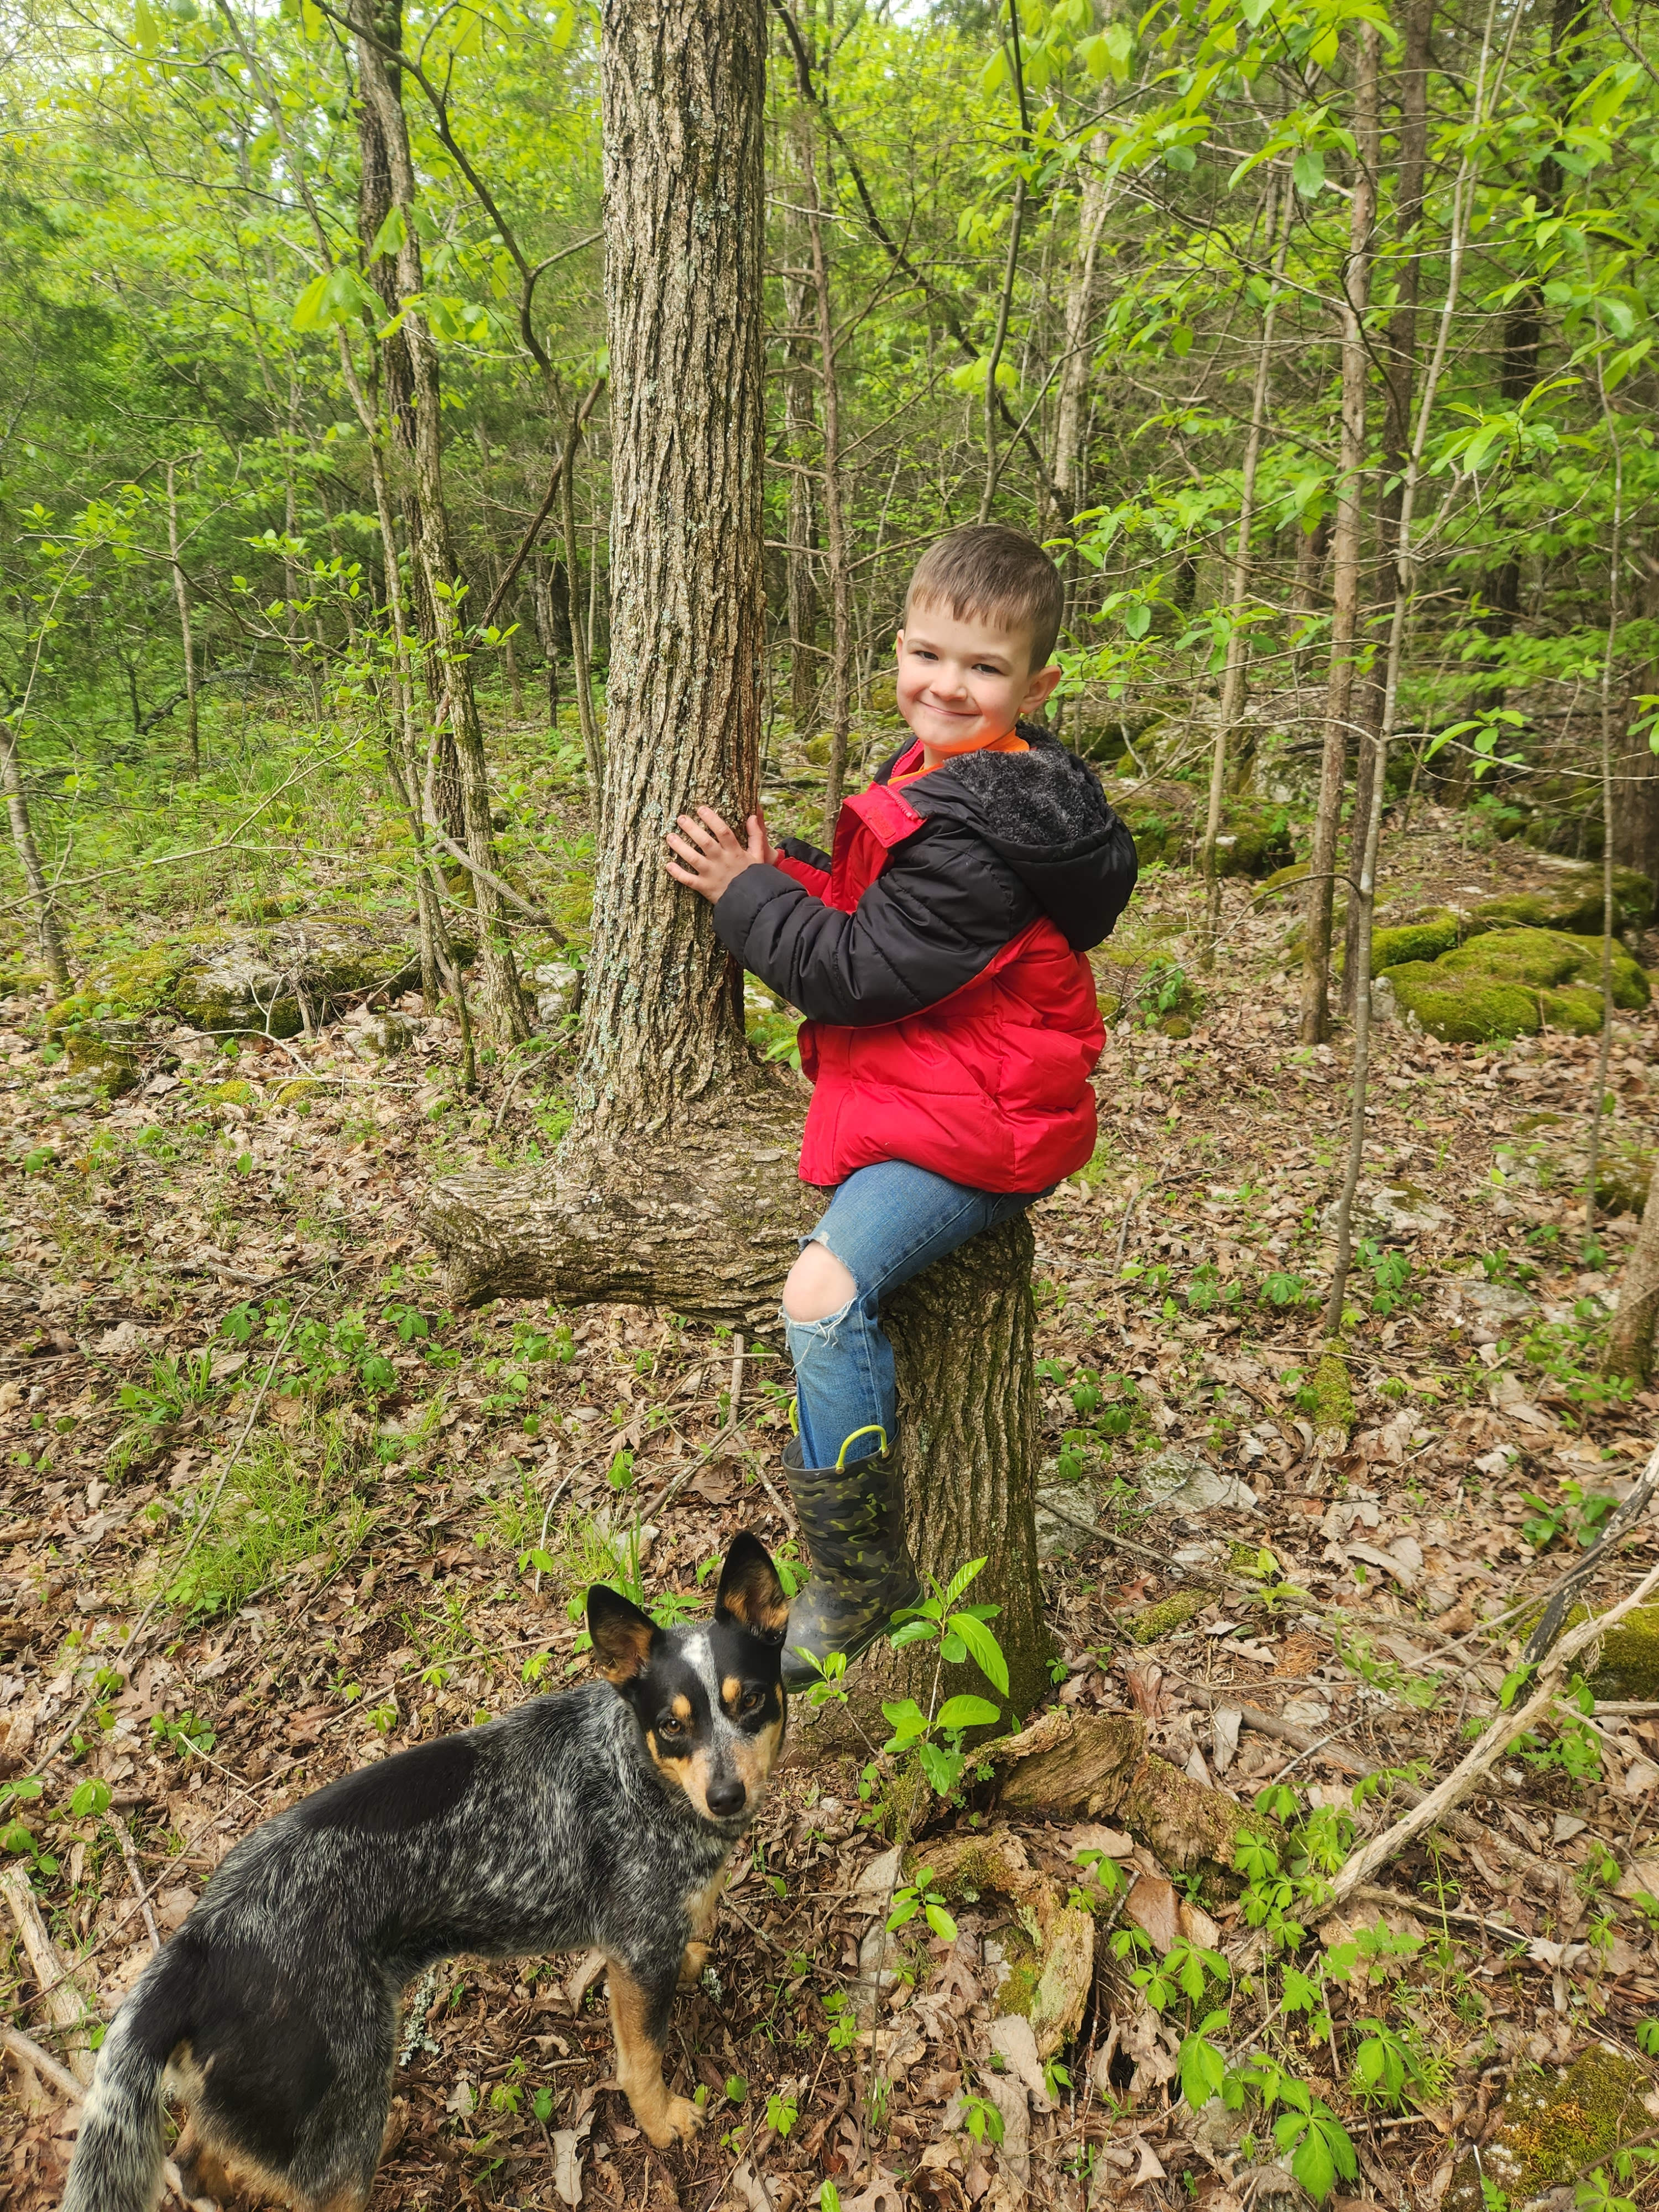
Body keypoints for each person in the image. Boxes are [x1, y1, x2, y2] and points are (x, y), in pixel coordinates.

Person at [666, 524, 1137, 1687]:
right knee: (824, 1287)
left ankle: (857, 1578)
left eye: (983, 667)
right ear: (899, 647)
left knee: (821, 1295)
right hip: (948, 1082)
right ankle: (855, 1560)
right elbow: (888, 934)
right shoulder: (949, 775)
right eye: (928, 653)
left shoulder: (985, 827)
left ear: (1036, 686)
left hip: (979, 1121)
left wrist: (742, 896)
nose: (947, 684)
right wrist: (783, 885)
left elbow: (854, 974)